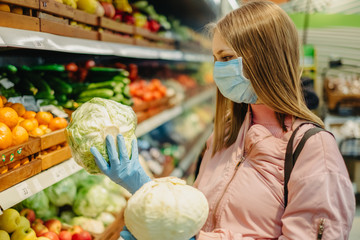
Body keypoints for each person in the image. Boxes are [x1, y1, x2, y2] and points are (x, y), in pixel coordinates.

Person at [90, 1, 356, 239]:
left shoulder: (312, 149)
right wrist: (141, 186)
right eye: (216, 59)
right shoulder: (224, 134)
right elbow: (190, 217)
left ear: (266, 58)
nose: (219, 70)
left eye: (227, 58)